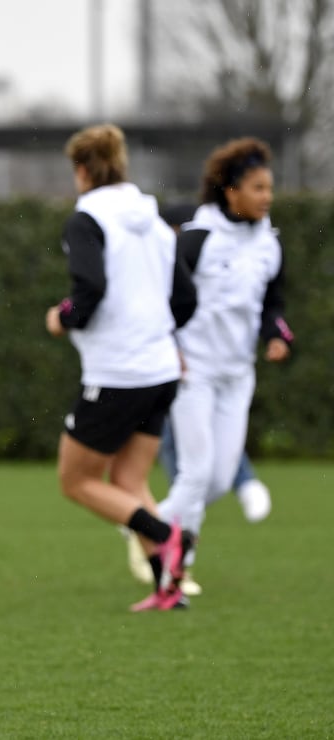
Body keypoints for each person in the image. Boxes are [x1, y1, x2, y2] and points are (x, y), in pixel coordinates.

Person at [44, 123, 198, 612]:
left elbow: (89, 291)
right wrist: (158, 337)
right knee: (130, 483)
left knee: (75, 480)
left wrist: (62, 318)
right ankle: (168, 588)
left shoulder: (86, 218)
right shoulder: (152, 220)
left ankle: (166, 533)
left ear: (83, 170)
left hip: (117, 375)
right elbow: (185, 297)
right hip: (160, 370)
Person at [153, 137, 293, 585]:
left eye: (269, 188)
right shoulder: (197, 238)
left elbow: (272, 304)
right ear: (231, 191)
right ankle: (178, 566)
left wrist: (275, 335)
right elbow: (162, 298)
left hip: (238, 374)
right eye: (257, 187)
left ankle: (142, 520)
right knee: (195, 473)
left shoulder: (271, 243)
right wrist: (171, 349)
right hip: (194, 370)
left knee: (216, 479)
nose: (267, 197)